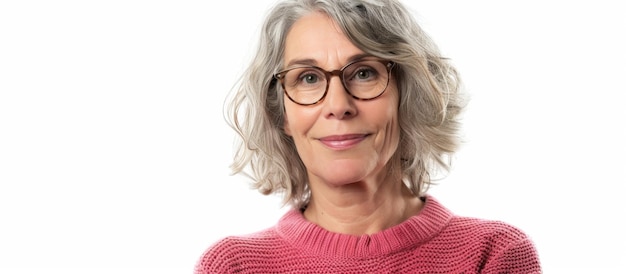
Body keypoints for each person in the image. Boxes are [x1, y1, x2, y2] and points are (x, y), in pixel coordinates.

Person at [195, 0, 541, 273]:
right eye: (309, 78)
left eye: (363, 73)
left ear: (407, 97)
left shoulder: (492, 255)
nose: (338, 105)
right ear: (281, 113)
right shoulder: (233, 267)